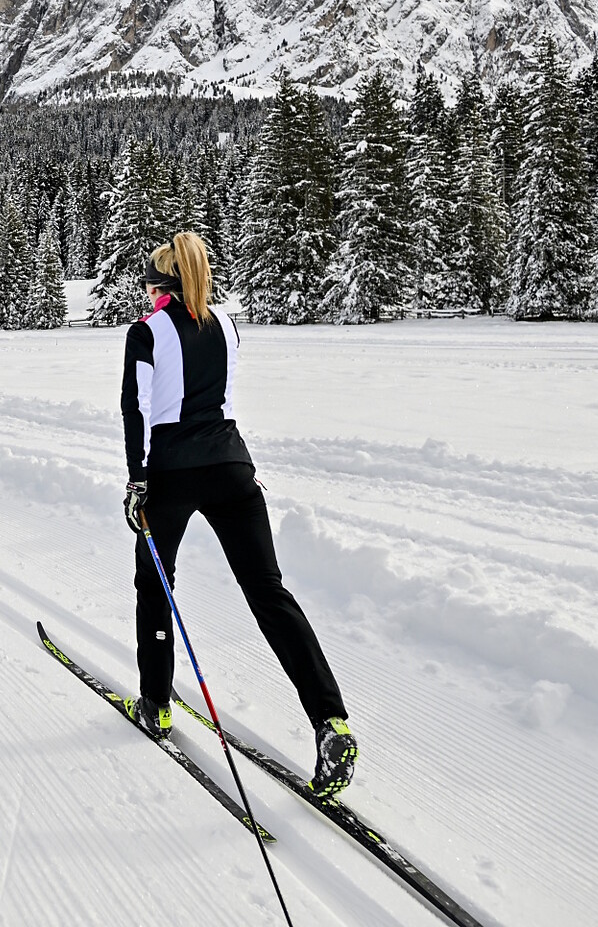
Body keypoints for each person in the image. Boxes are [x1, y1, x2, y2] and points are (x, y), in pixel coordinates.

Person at [119, 232, 358, 798]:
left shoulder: (145, 332)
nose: (146, 294)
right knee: (269, 594)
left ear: (161, 287)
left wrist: (137, 481)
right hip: (232, 467)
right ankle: (331, 720)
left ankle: (155, 703)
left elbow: (137, 410)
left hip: (172, 472)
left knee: (155, 584)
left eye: (149, 285)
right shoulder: (227, 325)